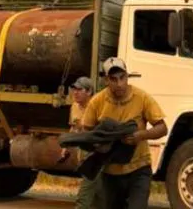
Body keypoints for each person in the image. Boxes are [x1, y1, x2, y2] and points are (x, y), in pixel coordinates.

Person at [80, 58, 167, 209]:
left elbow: (162, 128)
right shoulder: (97, 101)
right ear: (106, 80)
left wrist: (140, 135)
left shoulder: (142, 98)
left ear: (127, 76)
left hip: (139, 169)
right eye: (113, 79)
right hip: (110, 172)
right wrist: (100, 144)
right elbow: (86, 131)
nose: (119, 84)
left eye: (122, 78)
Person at [59, 77, 104, 209]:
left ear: (89, 92)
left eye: (80, 89)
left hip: (96, 155)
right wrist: (65, 147)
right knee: (98, 196)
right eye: (74, 89)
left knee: (84, 197)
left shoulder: (98, 107)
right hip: (83, 155)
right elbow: (74, 127)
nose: (75, 93)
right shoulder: (74, 106)